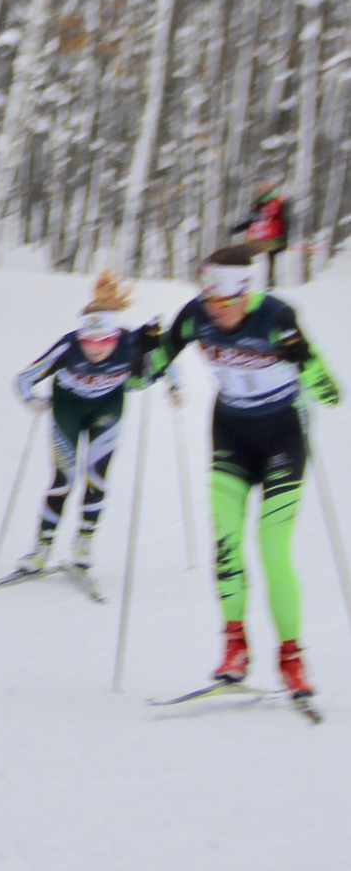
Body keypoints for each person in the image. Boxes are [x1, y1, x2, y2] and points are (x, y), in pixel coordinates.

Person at [137, 244, 340, 705]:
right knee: (226, 543)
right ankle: (234, 646)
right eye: (209, 302)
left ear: (246, 292)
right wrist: (142, 352)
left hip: (283, 437)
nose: (216, 313)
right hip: (231, 434)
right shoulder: (196, 315)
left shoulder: (276, 316)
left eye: (225, 303)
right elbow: (144, 376)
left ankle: (291, 656)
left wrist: (303, 357)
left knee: (272, 546)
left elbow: (330, 395)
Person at [12, 272, 167, 575]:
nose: (95, 348)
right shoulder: (68, 347)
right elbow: (22, 379)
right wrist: (32, 401)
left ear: (116, 334)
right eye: (89, 340)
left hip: (107, 410)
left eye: (105, 340)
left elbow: (145, 380)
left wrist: (154, 360)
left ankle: (84, 542)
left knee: (97, 477)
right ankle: (42, 549)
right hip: (68, 411)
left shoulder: (131, 342)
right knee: (63, 480)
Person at [230, 176, 290, 287]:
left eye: (264, 185)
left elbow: (286, 219)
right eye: (259, 185)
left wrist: (285, 238)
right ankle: (244, 282)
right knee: (243, 256)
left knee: (269, 262)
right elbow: (253, 220)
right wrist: (238, 228)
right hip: (259, 237)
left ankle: (270, 285)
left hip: (273, 237)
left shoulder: (278, 201)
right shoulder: (257, 202)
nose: (260, 188)